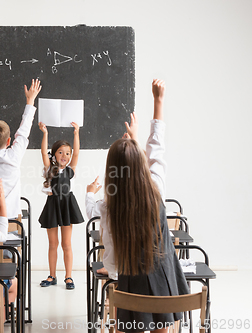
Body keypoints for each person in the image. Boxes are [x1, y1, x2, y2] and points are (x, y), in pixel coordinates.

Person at [85, 79, 189, 333]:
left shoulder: (109, 206)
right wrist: (158, 101)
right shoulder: (157, 191)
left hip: (130, 284)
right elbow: (157, 150)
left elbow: (110, 252)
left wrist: (89, 194)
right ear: (141, 166)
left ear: (112, 170)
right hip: (164, 281)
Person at [0, 79, 41, 220]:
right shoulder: (14, 155)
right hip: (10, 219)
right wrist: (30, 101)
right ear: (9, 141)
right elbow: (24, 131)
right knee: (14, 239)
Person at [38, 121, 84, 290]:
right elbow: (43, 152)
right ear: (54, 154)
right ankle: (52, 275)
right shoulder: (50, 168)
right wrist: (45, 134)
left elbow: (77, 153)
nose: (64, 155)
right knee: (52, 244)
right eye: (60, 152)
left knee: (66, 244)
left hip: (66, 206)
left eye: (67, 153)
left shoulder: (70, 170)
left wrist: (76, 134)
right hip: (52, 206)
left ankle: (68, 276)